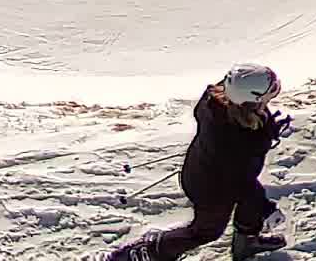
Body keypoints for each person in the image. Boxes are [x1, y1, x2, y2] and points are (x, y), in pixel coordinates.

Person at [111, 64, 288, 260]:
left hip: (202, 169)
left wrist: (266, 130)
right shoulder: (237, 139)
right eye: (269, 91)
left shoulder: (217, 101)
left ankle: (246, 242)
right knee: (206, 231)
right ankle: (147, 252)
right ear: (252, 100)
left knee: (250, 203)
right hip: (212, 190)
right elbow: (240, 182)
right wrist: (266, 208)